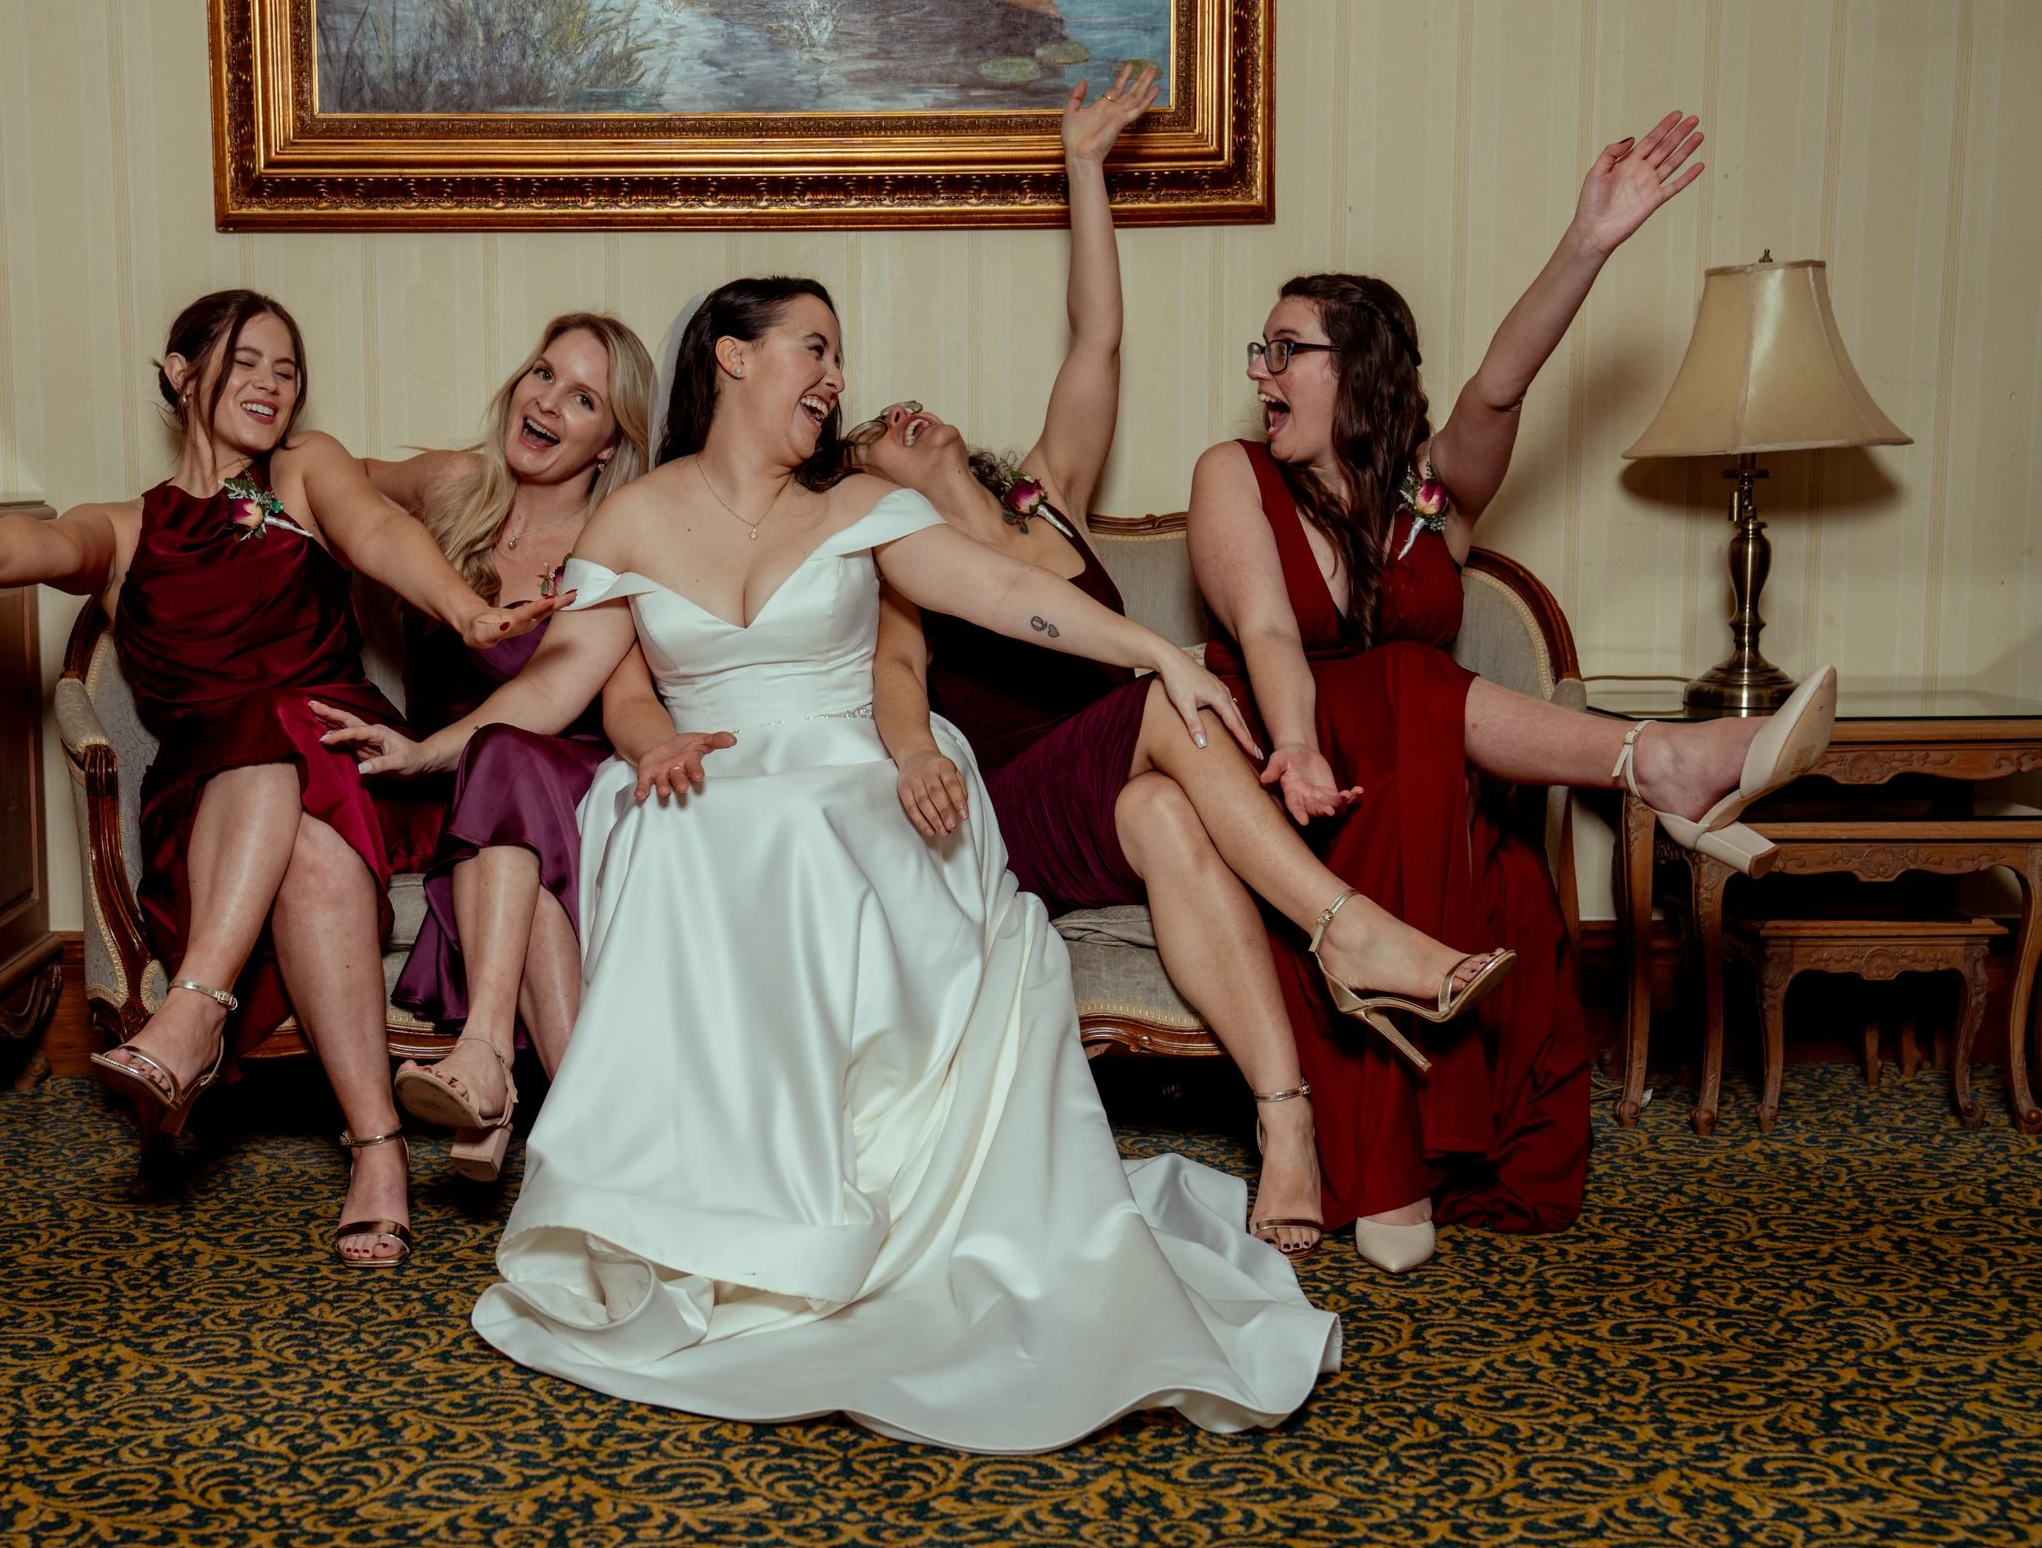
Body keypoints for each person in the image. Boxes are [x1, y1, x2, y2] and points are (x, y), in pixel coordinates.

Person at [316, 275, 1371, 1454]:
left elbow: (1010, 589)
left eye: (836, 356)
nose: (831, 375)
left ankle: (859, 1194)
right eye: (810, 348)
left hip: (852, 770)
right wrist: (425, 749)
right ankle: (723, 1210)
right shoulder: (633, 520)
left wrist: (1153, 658)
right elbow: (553, 687)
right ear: (730, 357)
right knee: (681, 825)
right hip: (700, 775)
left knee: (811, 830)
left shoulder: (863, 504)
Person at [852, 65, 1508, 1263]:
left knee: (1162, 805)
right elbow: (898, 680)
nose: (903, 418)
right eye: (874, 436)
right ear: (862, 487)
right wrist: (905, 749)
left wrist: (1085, 167)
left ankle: (1286, 1117)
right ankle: (1346, 927)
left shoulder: (1045, 498)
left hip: (1135, 775)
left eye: (907, 405)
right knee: (1167, 689)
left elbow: (1097, 335)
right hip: (1019, 809)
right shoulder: (901, 562)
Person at [1186, 112, 1834, 1271]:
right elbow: (1270, 628)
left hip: (1427, 793)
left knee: (1486, 814)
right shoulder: (1232, 476)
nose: (1259, 373)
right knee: (1399, 672)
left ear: (1359, 371)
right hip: (1293, 788)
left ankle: (1420, 1157)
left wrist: (1587, 242)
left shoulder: (1429, 501)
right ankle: (1660, 762)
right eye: (1260, 351)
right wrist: (1299, 743)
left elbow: (1494, 388)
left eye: (1286, 350)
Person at [0, 289, 557, 1272]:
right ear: (179, 373)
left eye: (286, 369)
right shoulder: (128, 528)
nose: (269, 383)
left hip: (350, 758)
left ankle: (201, 1016)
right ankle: (376, 1149)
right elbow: (46, 543)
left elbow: (379, 534)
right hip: (210, 809)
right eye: (245, 360)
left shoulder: (302, 474)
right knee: (286, 809)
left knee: (282, 732)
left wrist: (461, 610)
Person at [356, 313, 708, 1180]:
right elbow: (326, 475)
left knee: (505, 755)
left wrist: (663, 745)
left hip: (571, 785)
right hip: (473, 805)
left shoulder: (613, 540)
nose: (547, 402)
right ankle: (593, 1150)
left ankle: (484, 1051)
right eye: (543, 374)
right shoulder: (453, 487)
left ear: (607, 442)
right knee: (520, 872)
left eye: (582, 397)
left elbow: (622, 696)